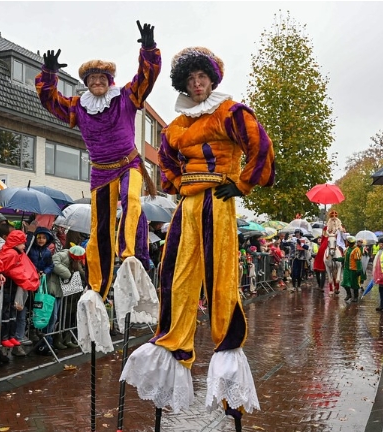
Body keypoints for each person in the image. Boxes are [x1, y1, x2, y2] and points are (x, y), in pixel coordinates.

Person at [121, 46, 275, 423]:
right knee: (175, 274)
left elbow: (260, 146)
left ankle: (226, 352)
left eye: (201, 77)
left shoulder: (230, 112)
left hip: (217, 199)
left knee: (221, 278)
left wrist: (241, 185)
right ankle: (173, 342)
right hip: (189, 203)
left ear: (212, 79)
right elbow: (167, 161)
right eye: (190, 80)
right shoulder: (176, 126)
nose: (196, 84)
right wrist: (174, 183)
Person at [36, 22, 161, 345]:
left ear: (109, 81)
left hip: (128, 163)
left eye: (101, 79)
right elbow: (52, 102)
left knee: (132, 201)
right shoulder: (80, 107)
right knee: (100, 228)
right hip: (100, 171)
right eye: (91, 80)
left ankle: (131, 254)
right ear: (87, 84)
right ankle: (98, 287)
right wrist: (48, 75)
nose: (97, 84)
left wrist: (147, 49)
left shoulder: (125, 98)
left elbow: (145, 79)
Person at [0, 230, 39, 356]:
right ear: (16, 243)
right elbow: (12, 270)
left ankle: (10, 336)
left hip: (11, 287)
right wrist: (27, 280)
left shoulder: (13, 252)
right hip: (8, 288)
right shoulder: (11, 254)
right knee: (7, 313)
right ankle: (5, 337)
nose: (24, 246)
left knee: (11, 313)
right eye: (22, 243)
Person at [336, 236, 364, 303]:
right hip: (346, 269)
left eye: (348, 242)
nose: (347, 243)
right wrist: (338, 259)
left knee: (354, 284)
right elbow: (344, 258)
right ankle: (349, 294)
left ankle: (356, 297)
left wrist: (359, 269)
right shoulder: (347, 249)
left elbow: (358, 260)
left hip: (354, 269)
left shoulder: (356, 250)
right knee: (345, 283)